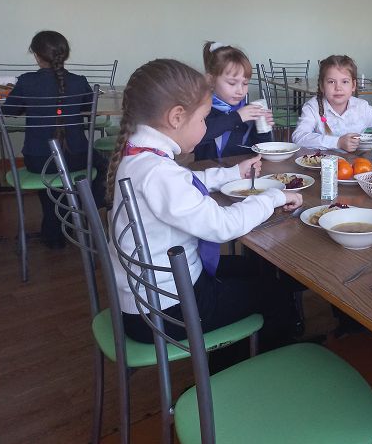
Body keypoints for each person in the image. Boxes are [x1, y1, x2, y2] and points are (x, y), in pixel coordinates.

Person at [106, 59, 303, 350]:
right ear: (176, 117)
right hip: (167, 310)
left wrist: (232, 173)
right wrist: (274, 196)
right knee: (272, 292)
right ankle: (243, 364)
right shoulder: (159, 173)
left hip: (152, 296)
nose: (204, 127)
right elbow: (223, 226)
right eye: (202, 120)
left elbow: (187, 181)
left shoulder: (141, 156)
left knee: (254, 269)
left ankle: (235, 353)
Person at [2, 30, 105, 248]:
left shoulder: (26, 82)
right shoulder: (79, 82)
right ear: (64, 54)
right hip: (77, 157)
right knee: (103, 165)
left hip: (39, 160)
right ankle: (80, 210)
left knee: (50, 182)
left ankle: (53, 234)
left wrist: (32, 105)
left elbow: (9, 110)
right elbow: (89, 108)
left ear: (36, 55)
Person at [292, 54, 372, 152]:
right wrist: (338, 142)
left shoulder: (362, 108)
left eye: (345, 82)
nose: (338, 88)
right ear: (322, 86)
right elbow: (299, 137)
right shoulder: (313, 107)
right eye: (331, 82)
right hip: (322, 165)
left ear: (353, 85)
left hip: (357, 164)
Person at [193, 41, 274, 161]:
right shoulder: (202, 110)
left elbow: (262, 148)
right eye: (232, 83)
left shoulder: (247, 112)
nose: (240, 91)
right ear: (210, 80)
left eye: (245, 83)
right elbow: (197, 138)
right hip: (208, 171)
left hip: (243, 170)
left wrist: (263, 128)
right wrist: (237, 117)